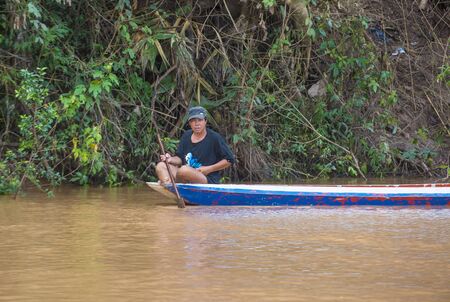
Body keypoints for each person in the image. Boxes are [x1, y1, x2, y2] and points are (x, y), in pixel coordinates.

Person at [156, 106, 235, 185]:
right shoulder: (186, 136)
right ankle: (169, 183)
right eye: (193, 121)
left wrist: (209, 169)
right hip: (184, 175)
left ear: (205, 121)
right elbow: (179, 158)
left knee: (184, 170)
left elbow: (229, 160)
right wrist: (170, 159)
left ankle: (172, 183)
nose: (197, 124)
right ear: (190, 123)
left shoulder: (214, 137)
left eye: (200, 120)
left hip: (205, 178)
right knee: (161, 166)